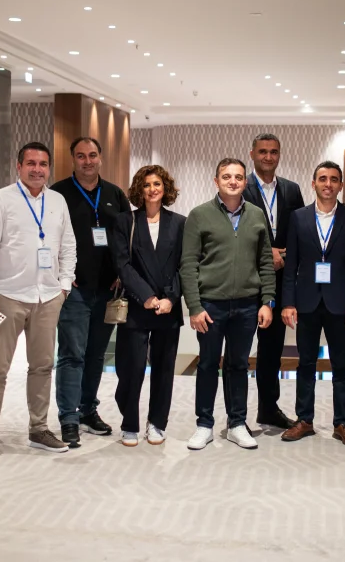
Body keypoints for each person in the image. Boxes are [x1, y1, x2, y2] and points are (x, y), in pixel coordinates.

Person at [0, 142, 76, 462]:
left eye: (43, 164)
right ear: (18, 167)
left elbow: (68, 245)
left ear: (49, 168)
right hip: (7, 299)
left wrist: (64, 286)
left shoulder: (57, 201)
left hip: (47, 298)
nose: (37, 169)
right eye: (31, 163)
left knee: (42, 366)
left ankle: (39, 429)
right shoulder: (1, 200)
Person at [181, 158, 276, 451]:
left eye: (238, 177)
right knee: (208, 364)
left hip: (247, 306)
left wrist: (267, 301)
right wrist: (194, 307)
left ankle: (237, 424)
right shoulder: (199, 215)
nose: (232, 181)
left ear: (245, 181)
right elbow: (188, 264)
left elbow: (265, 261)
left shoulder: (257, 215)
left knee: (238, 365)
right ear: (216, 181)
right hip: (210, 306)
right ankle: (204, 425)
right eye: (226, 176)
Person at [51, 137, 131, 448]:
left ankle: (87, 410)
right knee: (72, 354)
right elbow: (48, 237)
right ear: (73, 159)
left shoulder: (114, 194)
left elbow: (126, 238)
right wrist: (60, 273)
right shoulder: (58, 194)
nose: (87, 161)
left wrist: (122, 274)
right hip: (74, 290)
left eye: (92, 155)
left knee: (96, 354)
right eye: (81, 156)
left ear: (100, 158)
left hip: (108, 290)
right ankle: (68, 417)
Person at [280, 161, 345, 447]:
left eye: (333, 179)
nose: (328, 184)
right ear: (313, 183)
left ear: (341, 185)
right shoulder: (298, 217)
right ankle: (304, 420)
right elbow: (291, 265)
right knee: (305, 363)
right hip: (306, 302)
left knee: (341, 366)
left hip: (341, 304)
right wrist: (288, 303)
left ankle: (342, 423)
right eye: (322, 178)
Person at [110, 165, 186, 447]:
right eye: (146, 185)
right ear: (138, 190)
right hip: (137, 305)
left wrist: (170, 298)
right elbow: (122, 264)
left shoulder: (180, 223)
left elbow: (184, 265)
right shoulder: (125, 221)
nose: (152, 189)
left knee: (164, 370)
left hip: (168, 307)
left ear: (165, 188)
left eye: (157, 184)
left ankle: (157, 423)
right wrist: (146, 296)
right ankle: (129, 424)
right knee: (130, 369)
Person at [241, 133, 305, 429]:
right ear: (252, 154)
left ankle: (268, 409)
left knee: (271, 351)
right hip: (245, 279)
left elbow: (301, 232)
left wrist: (285, 256)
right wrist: (267, 254)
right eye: (263, 151)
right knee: (240, 352)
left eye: (274, 152)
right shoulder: (240, 186)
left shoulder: (292, 190)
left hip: (279, 283)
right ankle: (236, 415)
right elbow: (233, 232)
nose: (268, 157)